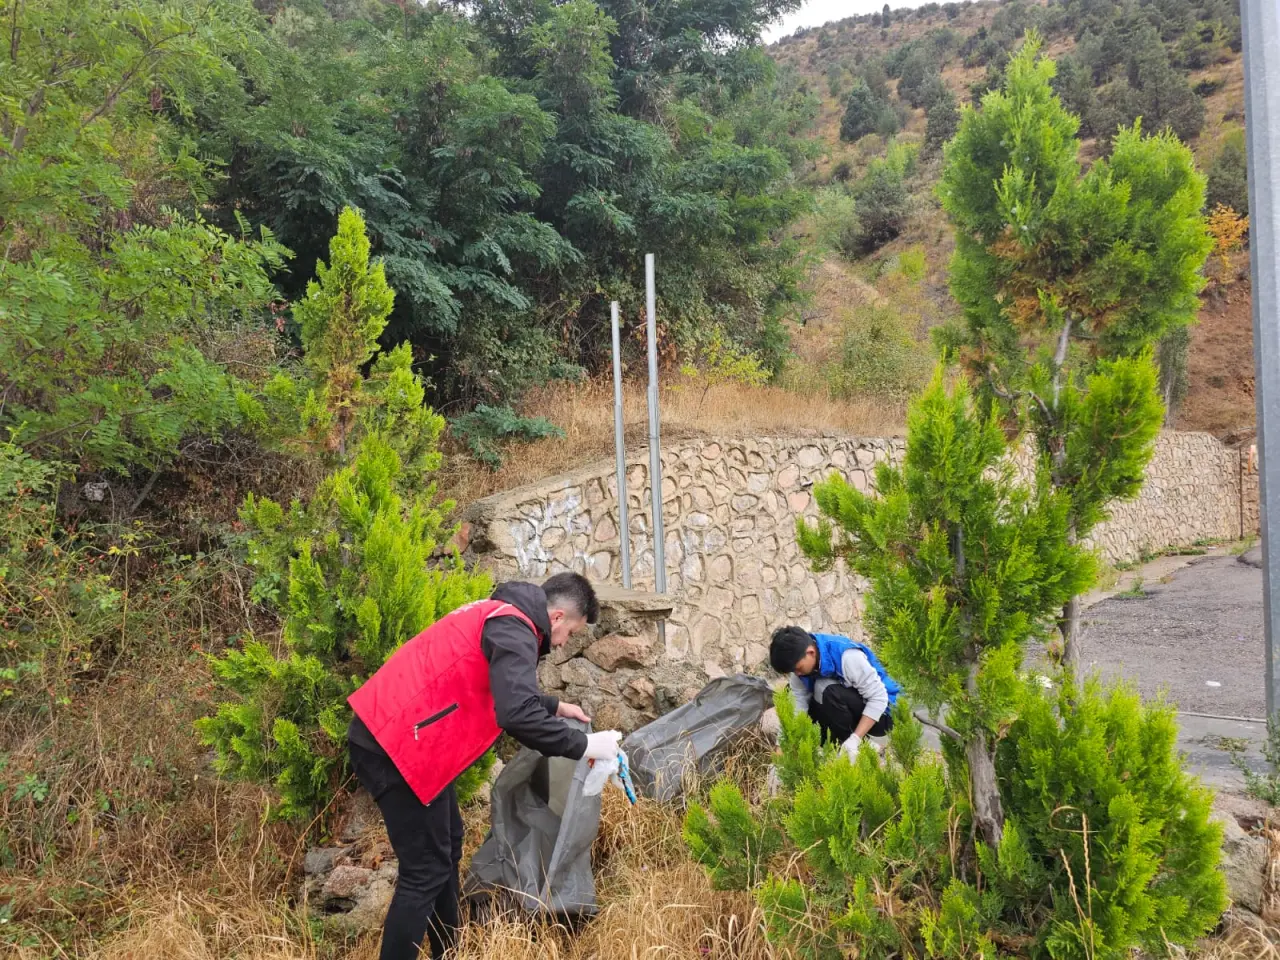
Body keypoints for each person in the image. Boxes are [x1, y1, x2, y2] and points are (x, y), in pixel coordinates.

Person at [346, 572, 622, 960]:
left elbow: (496, 686)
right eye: (572, 634)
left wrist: (554, 707)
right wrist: (586, 744)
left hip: (408, 741)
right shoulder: (515, 627)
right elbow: (515, 714)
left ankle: (448, 952)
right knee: (423, 870)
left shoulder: (501, 614)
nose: (563, 645)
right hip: (393, 745)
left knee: (448, 846)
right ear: (557, 618)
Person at [768, 625, 901, 760]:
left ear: (811, 652)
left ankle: (859, 745)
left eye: (798, 668)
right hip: (849, 708)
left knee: (824, 688)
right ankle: (849, 745)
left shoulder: (848, 657)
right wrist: (781, 746)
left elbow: (879, 698)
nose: (797, 673)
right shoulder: (801, 665)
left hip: (883, 715)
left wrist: (855, 738)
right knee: (791, 691)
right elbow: (798, 705)